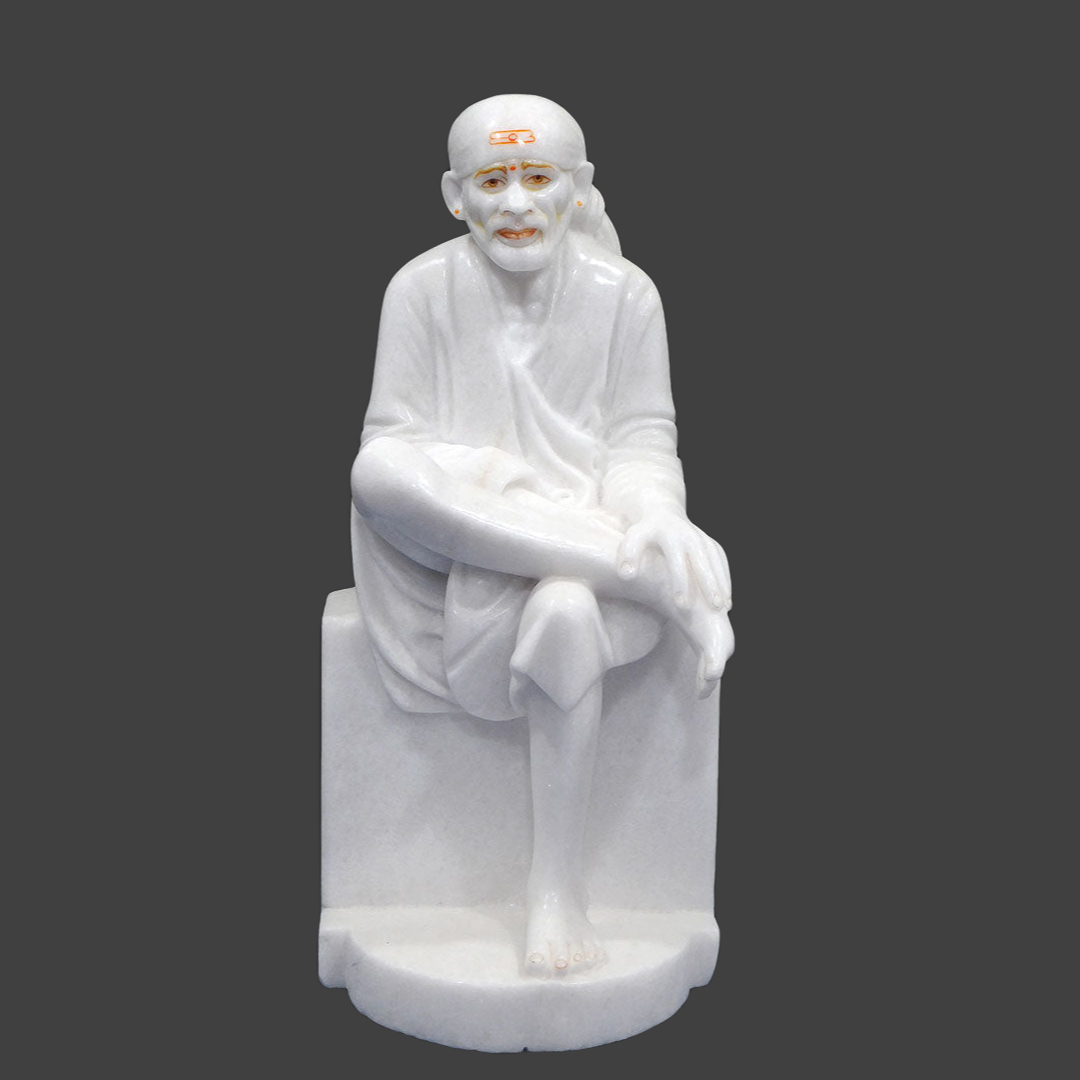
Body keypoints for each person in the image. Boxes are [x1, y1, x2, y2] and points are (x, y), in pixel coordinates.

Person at [350, 94, 734, 976]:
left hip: (589, 548)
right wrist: (494, 477)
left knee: (564, 611)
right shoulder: (420, 290)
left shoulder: (625, 295)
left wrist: (655, 515)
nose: (516, 203)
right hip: (463, 542)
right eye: (492, 182)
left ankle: (555, 889)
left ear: (579, 187)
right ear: (455, 195)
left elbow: (642, 441)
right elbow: (393, 441)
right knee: (376, 475)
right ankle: (649, 583)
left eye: (537, 177)